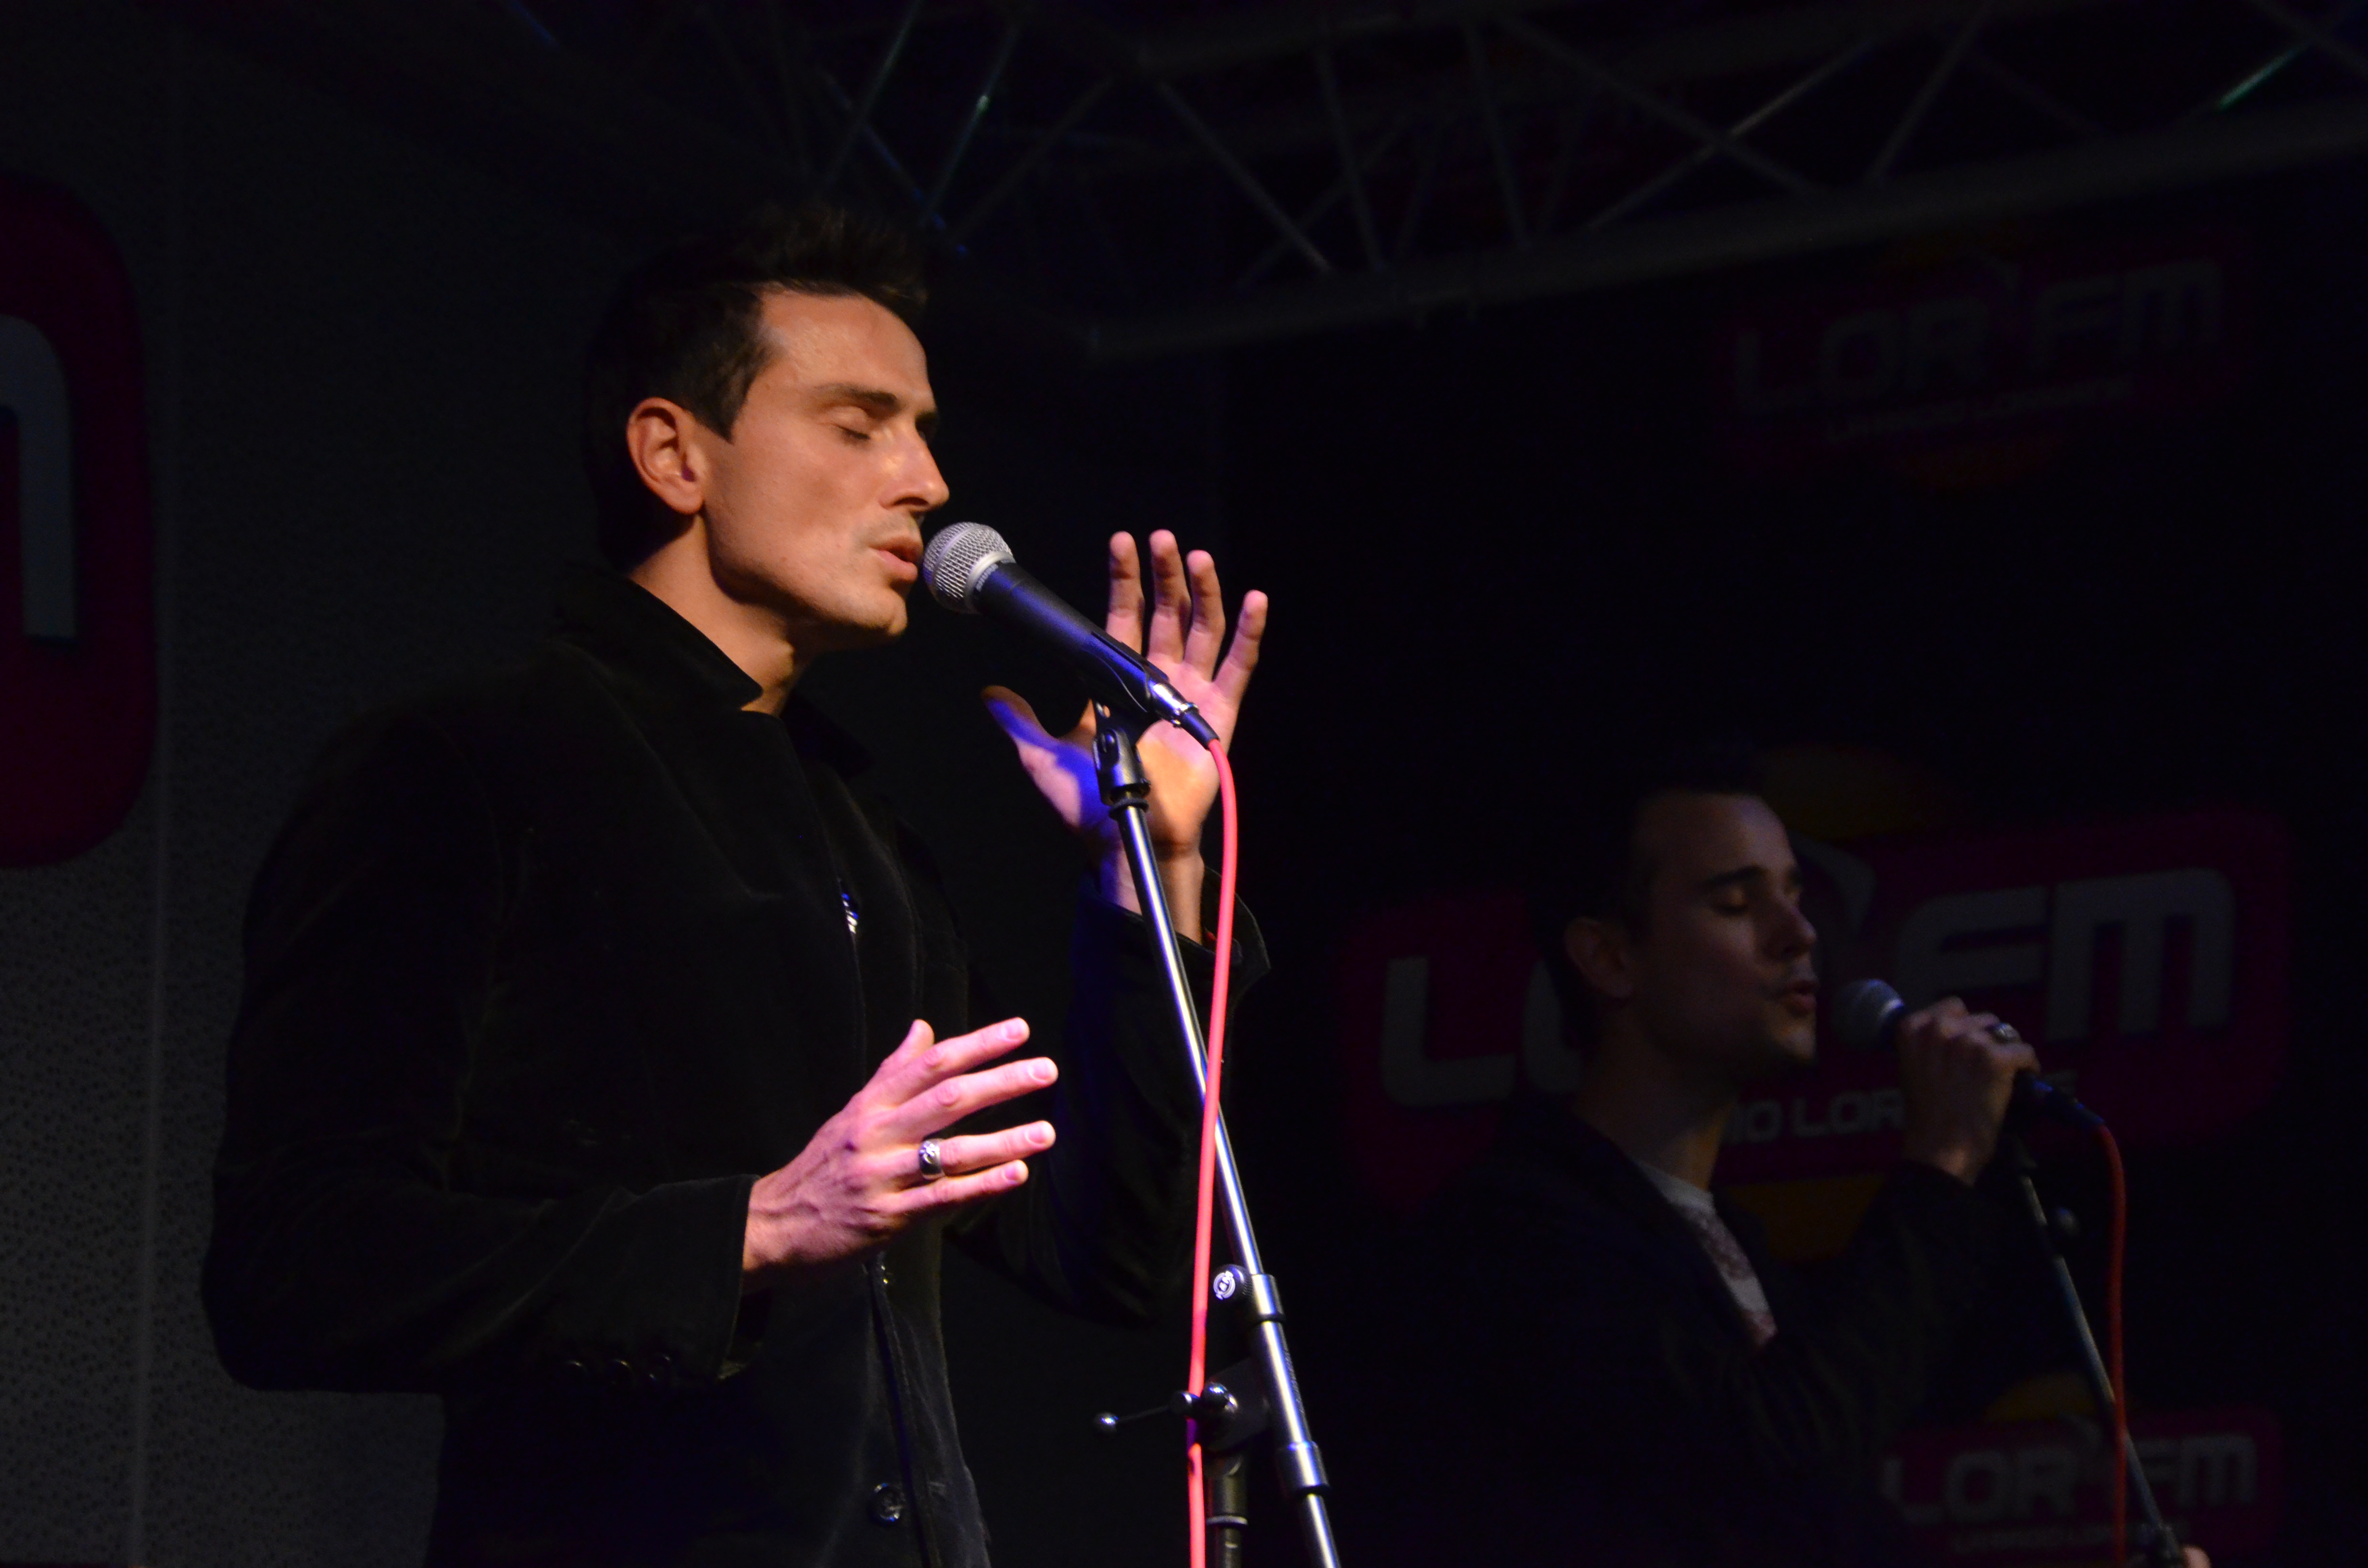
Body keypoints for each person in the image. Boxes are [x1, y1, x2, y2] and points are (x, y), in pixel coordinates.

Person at [202, 205, 1267, 1567]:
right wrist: (753, 1229)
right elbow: (291, 1269)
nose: (928, 481)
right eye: (859, 425)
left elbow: (1112, 1254)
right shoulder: (463, 767)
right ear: (674, 455)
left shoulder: (857, 829)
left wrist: (1152, 865)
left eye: (923, 430)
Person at [1380, 744, 2041, 1566]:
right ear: (1611, 958)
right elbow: (1773, 1455)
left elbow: (1837, 1526)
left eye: (1795, 895)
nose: (1799, 934)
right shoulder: (1517, 1235)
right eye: (1736, 902)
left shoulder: (1736, 1246)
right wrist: (1942, 1158)